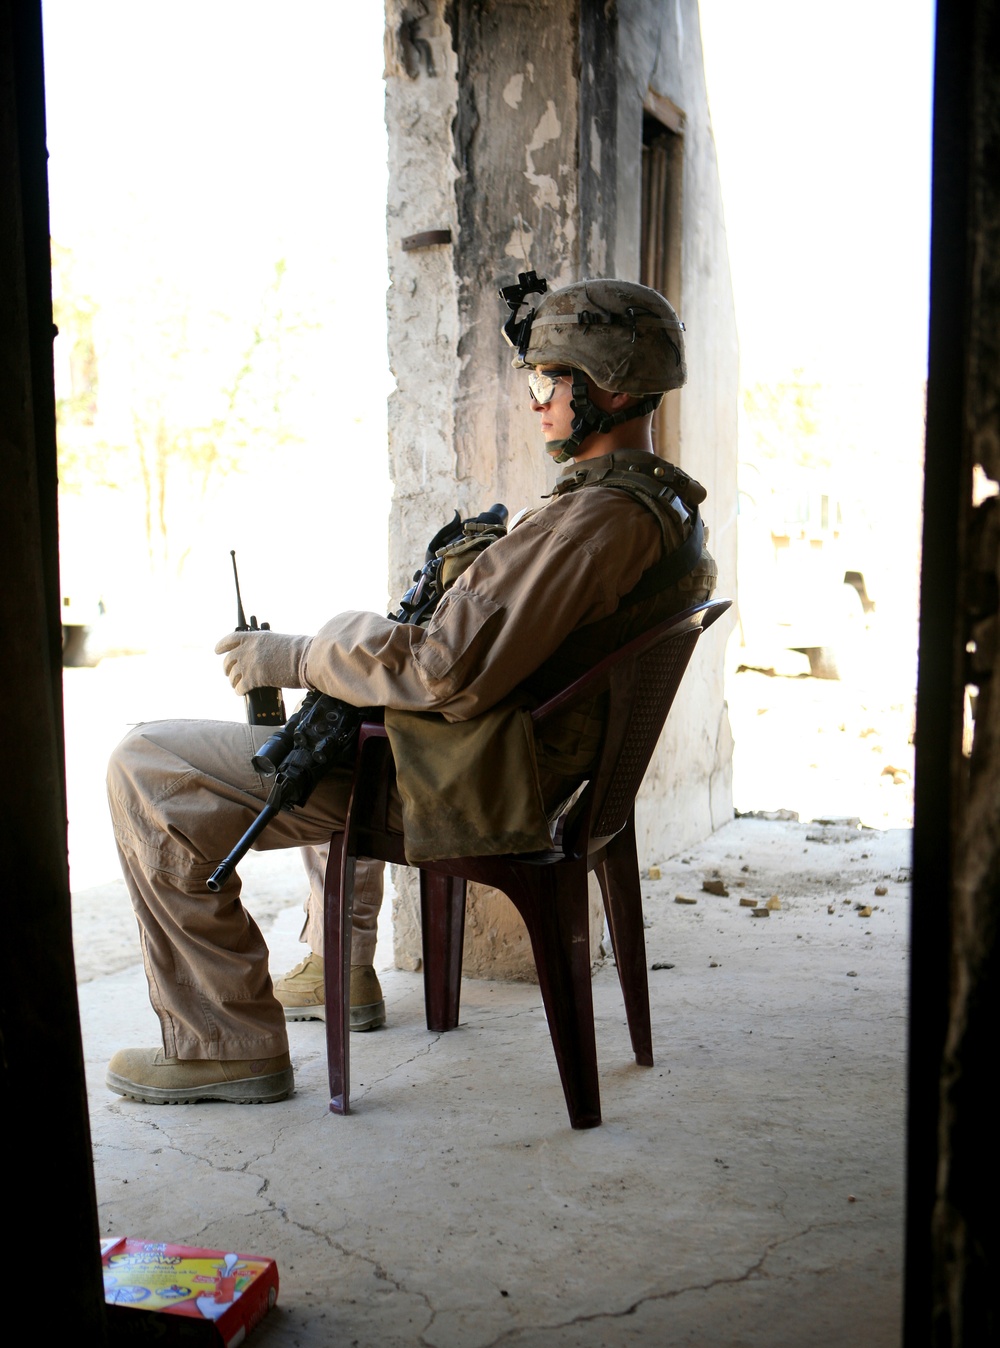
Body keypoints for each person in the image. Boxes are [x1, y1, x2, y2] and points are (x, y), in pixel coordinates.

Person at [105, 273, 717, 1105]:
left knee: (145, 764)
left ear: (604, 386)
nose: (536, 400)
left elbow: (440, 671)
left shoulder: (595, 523)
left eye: (549, 380)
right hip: (504, 762)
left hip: (463, 777)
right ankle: (341, 966)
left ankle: (224, 1044)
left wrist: (297, 655)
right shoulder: (655, 507)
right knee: (329, 716)